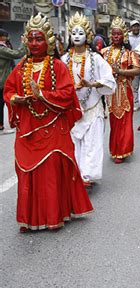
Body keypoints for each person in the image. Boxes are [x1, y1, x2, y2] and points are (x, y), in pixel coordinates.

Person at [3, 13, 93, 231]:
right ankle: (29, 218)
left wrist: (42, 95)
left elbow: (67, 94)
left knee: (52, 170)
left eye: (39, 39)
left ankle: (54, 216)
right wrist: (17, 99)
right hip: (27, 129)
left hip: (53, 127)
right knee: (26, 172)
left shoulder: (57, 67)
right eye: (31, 39)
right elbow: (9, 90)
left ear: (48, 41)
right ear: (26, 41)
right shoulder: (21, 68)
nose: (35, 44)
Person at [61, 13, 116, 187]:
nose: (77, 36)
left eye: (80, 33)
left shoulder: (96, 59)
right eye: (74, 33)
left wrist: (91, 84)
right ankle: (76, 173)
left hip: (92, 107)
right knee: (74, 143)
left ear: (88, 36)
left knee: (92, 144)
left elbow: (109, 81)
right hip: (72, 109)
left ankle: (87, 175)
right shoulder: (63, 60)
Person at [101, 17, 140, 164]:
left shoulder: (130, 53)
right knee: (113, 122)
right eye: (114, 34)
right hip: (110, 93)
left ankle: (123, 151)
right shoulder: (103, 52)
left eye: (119, 34)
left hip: (125, 90)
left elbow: (137, 70)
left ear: (123, 36)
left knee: (125, 122)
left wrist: (121, 72)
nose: (116, 37)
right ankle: (115, 150)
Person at [0, 29, 26, 131]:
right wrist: (23, 43)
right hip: (2, 81)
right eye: (5, 36)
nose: (7, 38)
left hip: (3, 79)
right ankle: (1, 124)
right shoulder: (2, 49)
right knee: (4, 102)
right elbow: (17, 54)